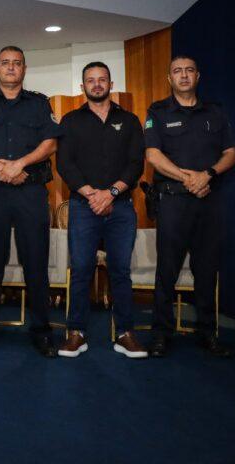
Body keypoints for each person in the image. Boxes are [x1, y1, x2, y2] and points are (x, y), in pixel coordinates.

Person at [0, 46, 63, 357]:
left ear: (24, 69)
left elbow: (50, 143)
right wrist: (2, 167)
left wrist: (20, 164)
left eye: (16, 63)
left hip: (31, 193)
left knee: (36, 263)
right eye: (5, 63)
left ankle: (42, 332)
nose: (10, 68)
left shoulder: (38, 103)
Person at [145, 55, 235, 358]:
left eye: (189, 71)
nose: (183, 76)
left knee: (207, 270)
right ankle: (161, 334)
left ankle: (207, 333)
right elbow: (153, 156)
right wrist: (189, 178)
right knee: (166, 271)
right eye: (177, 71)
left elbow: (232, 154)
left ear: (198, 76)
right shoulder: (158, 112)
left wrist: (207, 175)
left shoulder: (216, 111)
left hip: (209, 200)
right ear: (168, 78)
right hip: (173, 200)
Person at [56, 61, 147, 358]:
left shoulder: (130, 120)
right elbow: (65, 164)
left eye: (102, 79)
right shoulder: (70, 121)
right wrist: (91, 194)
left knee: (120, 271)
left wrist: (111, 193)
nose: (97, 84)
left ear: (110, 83)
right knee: (81, 270)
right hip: (83, 207)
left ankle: (125, 334)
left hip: (120, 208)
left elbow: (136, 163)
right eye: (91, 80)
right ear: (83, 87)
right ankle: (76, 333)